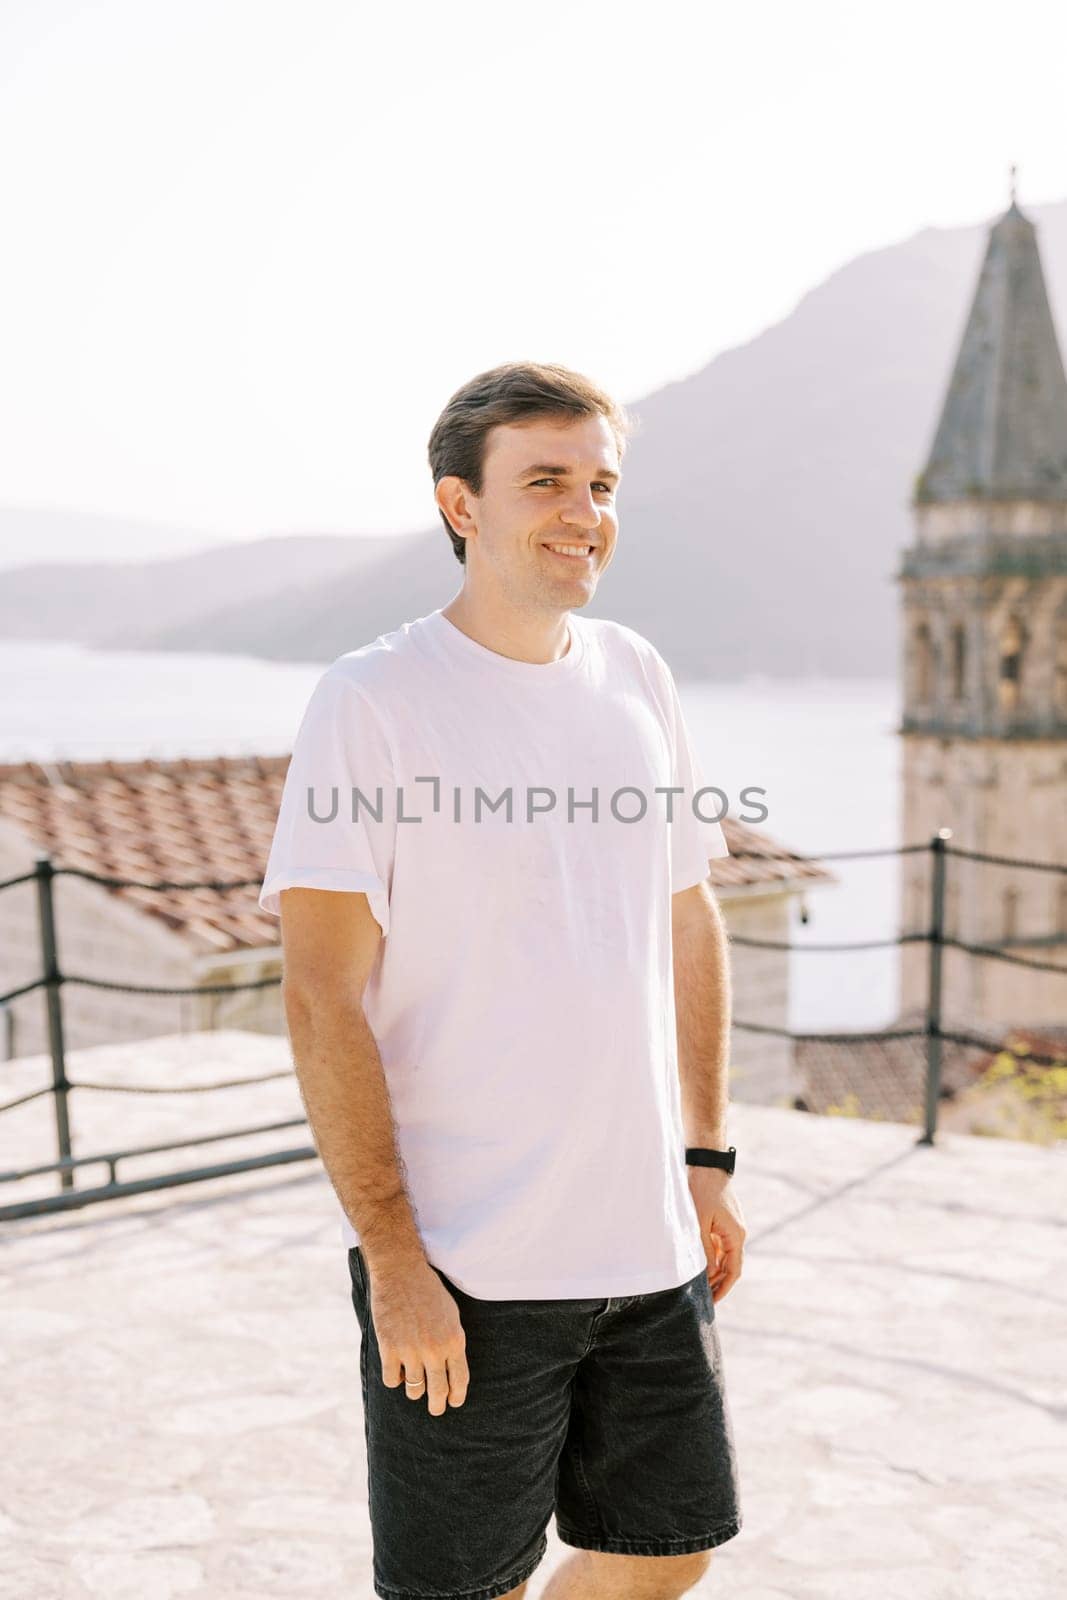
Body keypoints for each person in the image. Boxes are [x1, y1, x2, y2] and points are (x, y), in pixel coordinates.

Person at [259, 362, 745, 1600]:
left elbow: (689, 920)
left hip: (645, 1243)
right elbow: (322, 999)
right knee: (462, 1587)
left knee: (669, 1547)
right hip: (469, 1267)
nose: (583, 511)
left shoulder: (637, 674)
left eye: (599, 483)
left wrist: (706, 1159)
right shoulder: (370, 700)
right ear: (459, 505)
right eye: (545, 481)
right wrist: (395, 1262)